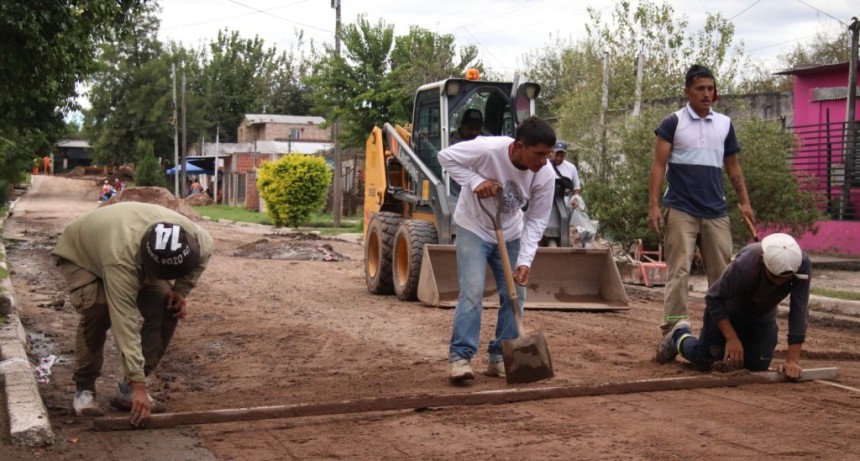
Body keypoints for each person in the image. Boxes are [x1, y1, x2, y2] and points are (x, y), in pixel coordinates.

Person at [52, 202, 213, 426]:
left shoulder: (198, 240)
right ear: (148, 261)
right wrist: (141, 386)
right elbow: (124, 321)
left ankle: (127, 390)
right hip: (82, 254)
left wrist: (179, 290)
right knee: (100, 310)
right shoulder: (122, 260)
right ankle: (84, 389)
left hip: (127, 245)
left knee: (167, 306)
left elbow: (202, 259)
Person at [438, 115, 556, 382]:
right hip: (473, 227)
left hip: (511, 232)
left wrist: (525, 261)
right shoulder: (488, 149)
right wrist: (474, 181)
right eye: (538, 154)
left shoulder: (545, 174)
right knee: (472, 291)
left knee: (515, 294)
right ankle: (460, 358)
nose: (543, 161)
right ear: (519, 146)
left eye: (547, 154)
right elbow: (445, 156)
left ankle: (500, 357)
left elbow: (537, 219)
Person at [648, 64, 755, 334]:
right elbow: (658, 166)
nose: (707, 94)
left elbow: (733, 166)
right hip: (681, 208)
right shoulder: (672, 123)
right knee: (679, 270)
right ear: (688, 92)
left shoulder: (724, 124)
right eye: (700, 89)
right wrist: (653, 206)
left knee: (722, 273)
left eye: (710, 88)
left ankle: (720, 328)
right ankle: (674, 329)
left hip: (716, 210)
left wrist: (745, 202)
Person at [657, 233, 810, 378]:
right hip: (728, 312)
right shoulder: (744, 266)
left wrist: (792, 361)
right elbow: (713, 299)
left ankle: (731, 348)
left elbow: (799, 309)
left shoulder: (802, 265)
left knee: (756, 367)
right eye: (774, 277)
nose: (778, 283)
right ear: (764, 262)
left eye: (784, 279)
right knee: (704, 359)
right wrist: (731, 338)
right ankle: (678, 335)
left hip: (761, 317)